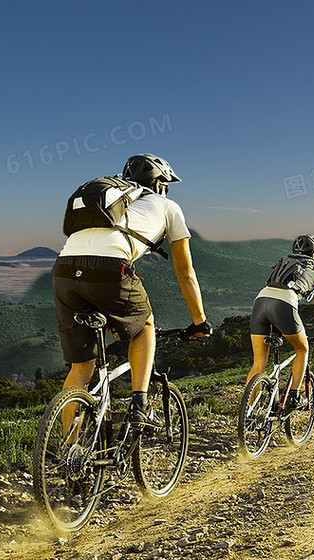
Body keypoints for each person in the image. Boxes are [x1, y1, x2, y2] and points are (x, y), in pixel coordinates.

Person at [53, 154, 212, 425]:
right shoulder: (168, 206)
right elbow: (185, 272)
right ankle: (140, 404)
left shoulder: (114, 201)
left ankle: (72, 450)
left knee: (81, 368)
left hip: (64, 271)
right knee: (145, 325)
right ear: (160, 183)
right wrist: (200, 321)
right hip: (109, 269)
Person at [246, 234, 314, 412]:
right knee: (302, 349)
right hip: (284, 306)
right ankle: (294, 397)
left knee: (258, 364)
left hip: (259, 302)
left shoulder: (284, 261)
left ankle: (247, 411)